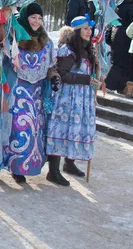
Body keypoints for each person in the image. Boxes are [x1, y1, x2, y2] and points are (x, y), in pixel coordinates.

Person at [0, 3, 60, 184]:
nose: (37, 21)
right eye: (33, 17)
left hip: (34, 97)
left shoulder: (46, 42)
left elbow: (50, 67)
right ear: (24, 18)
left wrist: (53, 77)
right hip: (12, 92)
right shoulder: (12, 38)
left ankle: (18, 168)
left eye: (39, 18)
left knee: (26, 132)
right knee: (5, 129)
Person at [46, 16, 100, 186]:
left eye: (90, 29)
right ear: (76, 31)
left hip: (82, 99)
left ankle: (69, 163)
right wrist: (86, 80)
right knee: (61, 130)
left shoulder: (88, 49)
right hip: (67, 98)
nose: (88, 32)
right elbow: (63, 74)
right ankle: (53, 171)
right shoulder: (68, 51)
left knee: (76, 130)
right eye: (85, 29)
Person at [105, 0, 133, 92]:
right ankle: (115, 86)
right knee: (124, 63)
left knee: (116, 61)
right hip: (126, 36)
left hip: (115, 33)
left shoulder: (118, 5)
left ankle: (112, 85)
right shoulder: (131, 8)